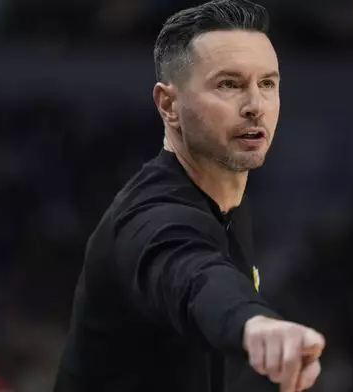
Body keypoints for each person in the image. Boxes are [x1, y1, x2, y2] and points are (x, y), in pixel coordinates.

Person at [53, 1, 325, 391]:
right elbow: (194, 276)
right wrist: (255, 324)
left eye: (267, 83)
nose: (254, 106)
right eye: (228, 84)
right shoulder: (148, 218)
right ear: (169, 105)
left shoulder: (226, 190)